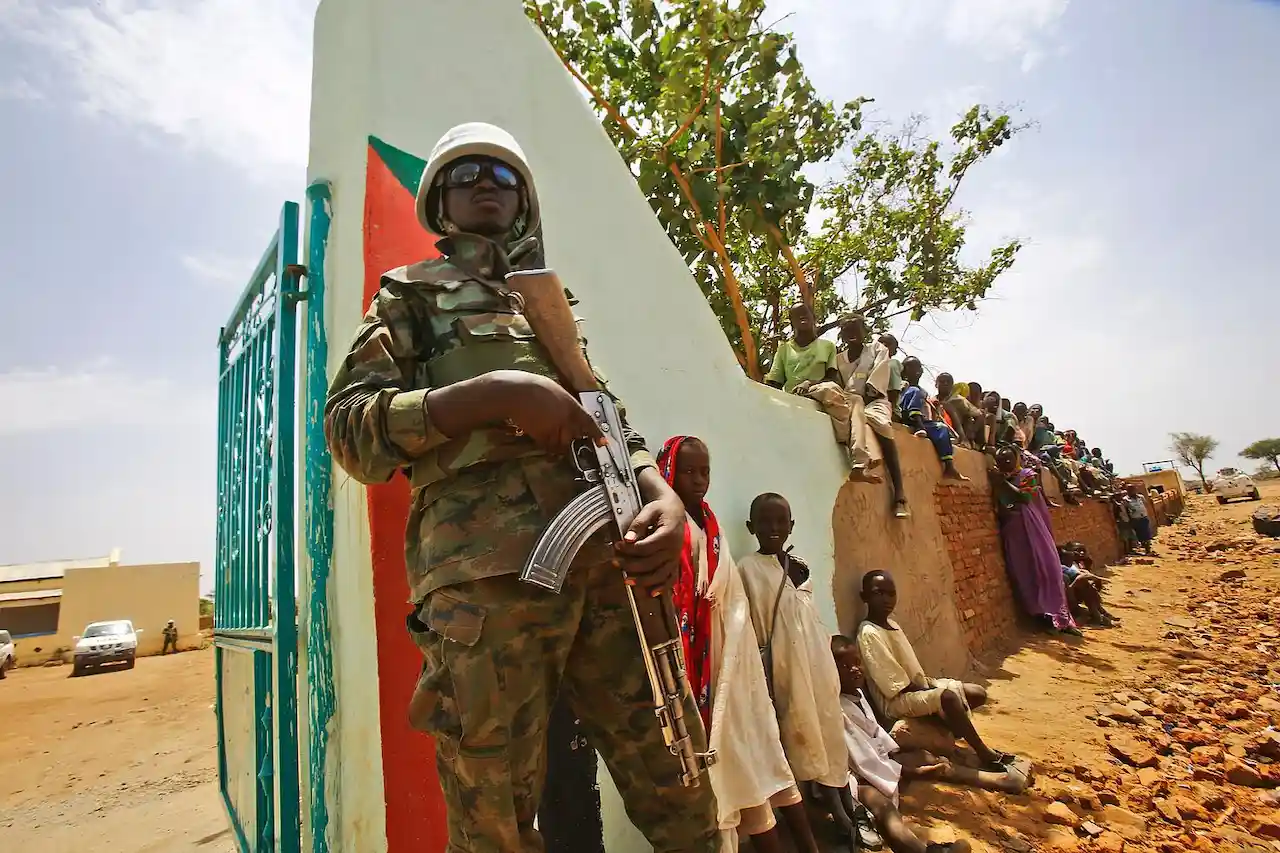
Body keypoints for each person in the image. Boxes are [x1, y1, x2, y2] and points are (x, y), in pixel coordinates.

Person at [324, 122, 718, 852]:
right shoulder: (409, 296)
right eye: (468, 172)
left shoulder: (549, 306)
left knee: (680, 780)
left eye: (503, 177)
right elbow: (351, 432)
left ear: (524, 202)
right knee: (494, 818)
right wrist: (493, 394)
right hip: (486, 579)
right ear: (441, 199)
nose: (485, 183)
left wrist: (659, 492)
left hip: (611, 569)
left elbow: (607, 416)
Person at [657, 437, 809, 853]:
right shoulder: (665, 525)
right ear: (668, 471)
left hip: (728, 665)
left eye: (705, 470)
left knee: (749, 765)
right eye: (689, 471)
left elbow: (729, 595)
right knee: (715, 778)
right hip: (688, 669)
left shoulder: (712, 525)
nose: (700, 480)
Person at [738, 493, 858, 841]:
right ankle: (815, 820)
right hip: (785, 671)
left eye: (781, 522)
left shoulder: (801, 565)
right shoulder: (748, 569)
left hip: (817, 667)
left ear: (791, 526)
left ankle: (843, 808)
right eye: (765, 522)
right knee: (796, 739)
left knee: (829, 733)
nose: (773, 528)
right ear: (751, 527)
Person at [832, 636, 985, 853]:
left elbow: (876, 739)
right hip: (852, 778)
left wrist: (900, 760)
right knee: (882, 807)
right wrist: (912, 772)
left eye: (857, 663)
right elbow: (863, 762)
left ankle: (992, 777)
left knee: (921, 756)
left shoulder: (857, 695)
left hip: (875, 767)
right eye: (846, 667)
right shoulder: (838, 709)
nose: (855, 670)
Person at [856, 571, 1015, 774]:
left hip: (916, 688)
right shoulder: (869, 633)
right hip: (896, 701)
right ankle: (983, 752)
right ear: (865, 597)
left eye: (891, 594)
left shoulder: (892, 625)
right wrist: (930, 689)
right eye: (879, 593)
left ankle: (947, 725)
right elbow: (895, 685)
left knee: (977, 692)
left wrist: (929, 686)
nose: (886, 599)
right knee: (948, 698)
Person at [990, 447, 1080, 636]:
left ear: (1016, 460)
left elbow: (1024, 497)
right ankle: (1042, 618)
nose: (1004, 464)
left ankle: (1061, 619)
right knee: (1025, 573)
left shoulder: (1027, 475)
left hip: (1034, 528)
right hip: (1014, 532)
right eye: (1001, 461)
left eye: (1008, 460)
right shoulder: (998, 480)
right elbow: (1001, 507)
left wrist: (1003, 485)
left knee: (1048, 569)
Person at [838, 316, 909, 517]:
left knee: (882, 425)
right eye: (846, 330)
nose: (851, 334)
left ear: (864, 331)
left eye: (856, 329)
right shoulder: (838, 358)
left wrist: (864, 393)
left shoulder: (878, 349)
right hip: (850, 402)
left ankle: (900, 495)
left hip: (874, 402)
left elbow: (876, 382)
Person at [899, 358, 967, 482]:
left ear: (920, 371)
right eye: (907, 367)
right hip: (904, 414)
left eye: (914, 367)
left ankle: (949, 466)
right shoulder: (902, 385)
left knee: (941, 428)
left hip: (923, 421)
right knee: (915, 390)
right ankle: (919, 426)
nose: (911, 371)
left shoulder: (924, 393)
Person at [765, 303, 840, 394]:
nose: (801, 316)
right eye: (796, 315)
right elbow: (775, 382)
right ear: (792, 322)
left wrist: (809, 384)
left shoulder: (828, 346)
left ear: (814, 318)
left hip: (820, 398)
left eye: (805, 312)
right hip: (792, 398)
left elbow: (832, 380)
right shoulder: (784, 349)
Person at [1058, 542, 1116, 627]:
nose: (1076, 555)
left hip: (1069, 597)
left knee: (1085, 583)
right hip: (1062, 601)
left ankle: (1098, 613)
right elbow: (1081, 577)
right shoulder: (1062, 567)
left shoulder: (1075, 565)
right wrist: (1096, 579)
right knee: (1083, 582)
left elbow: (1082, 574)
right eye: (1074, 553)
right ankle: (1097, 615)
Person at [935, 374, 981, 449]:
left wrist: (972, 432)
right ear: (936, 384)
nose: (945, 384)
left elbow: (979, 415)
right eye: (942, 381)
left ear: (952, 385)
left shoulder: (960, 400)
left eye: (948, 382)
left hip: (956, 432)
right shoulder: (932, 400)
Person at [1124, 483, 1155, 555]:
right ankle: (1139, 550)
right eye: (1129, 490)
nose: (1131, 491)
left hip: (1144, 518)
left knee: (1146, 534)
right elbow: (1125, 510)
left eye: (1133, 489)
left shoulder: (1141, 497)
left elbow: (1145, 505)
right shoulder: (1126, 500)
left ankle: (1148, 550)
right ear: (1127, 491)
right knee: (1138, 535)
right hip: (1135, 519)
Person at [879, 333, 905, 415]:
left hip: (888, 410)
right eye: (880, 343)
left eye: (887, 344)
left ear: (894, 351)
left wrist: (891, 412)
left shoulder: (892, 364)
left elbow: (894, 391)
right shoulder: (870, 362)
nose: (883, 346)